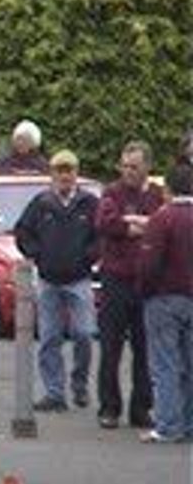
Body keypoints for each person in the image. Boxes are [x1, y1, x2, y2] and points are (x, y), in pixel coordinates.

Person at [14, 149, 99, 412]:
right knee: (50, 338)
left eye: (69, 170)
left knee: (84, 334)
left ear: (76, 173)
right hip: (49, 280)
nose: (65, 176)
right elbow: (22, 232)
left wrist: (89, 258)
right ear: (52, 174)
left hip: (79, 279)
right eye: (60, 171)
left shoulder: (90, 204)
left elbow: (101, 236)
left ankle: (79, 383)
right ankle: (55, 393)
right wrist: (37, 255)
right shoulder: (41, 203)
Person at [95, 140, 166, 429]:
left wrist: (139, 223)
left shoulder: (158, 195)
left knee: (144, 349)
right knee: (110, 347)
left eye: (134, 167)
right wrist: (131, 226)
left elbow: (163, 225)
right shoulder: (111, 192)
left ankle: (141, 409)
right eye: (124, 166)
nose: (128, 172)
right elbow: (105, 222)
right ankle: (109, 407)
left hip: (147, 282)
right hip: (115, 279)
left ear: (147, 167)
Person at [135, 164, 193, 443]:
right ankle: (190, 422)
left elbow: (150, 263)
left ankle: (169, 424)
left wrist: (144, 291)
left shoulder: (163, 219)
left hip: (165, 297)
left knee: (166, 364)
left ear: (169, 189)